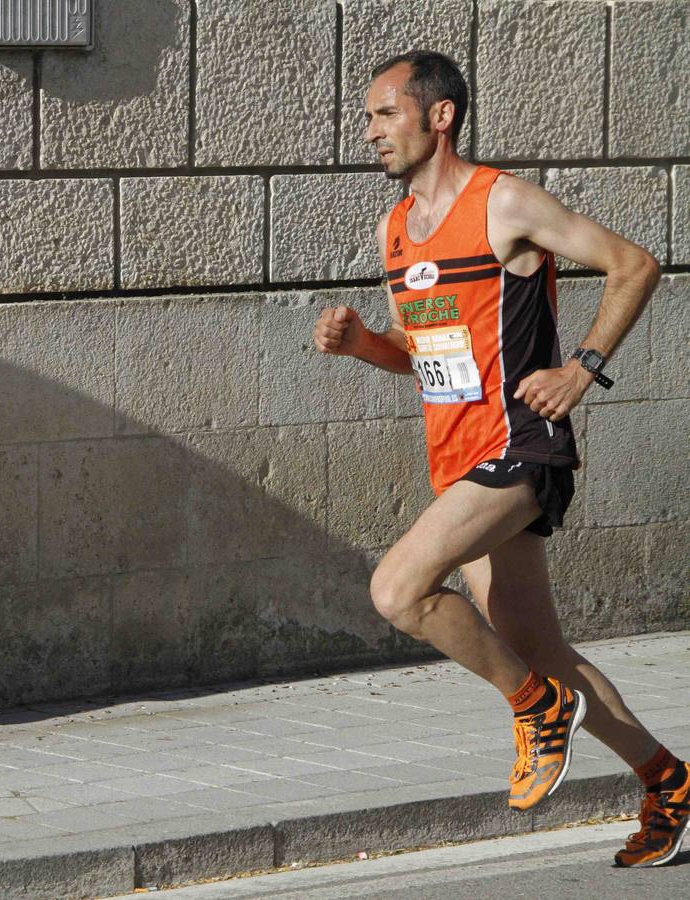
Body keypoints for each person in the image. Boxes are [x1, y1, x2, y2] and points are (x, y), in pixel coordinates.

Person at [313, 50, 686, 868]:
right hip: (457, 462)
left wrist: (580, 368)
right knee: (542, 648)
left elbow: (635, 265)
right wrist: (363, 346)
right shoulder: (395, 228)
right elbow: (423, 350)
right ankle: (666, 779)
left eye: (385, 114)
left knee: (398, 588)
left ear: (439, 116)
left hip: (521, 448)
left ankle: (534, 709)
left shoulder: (503, 201)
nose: (370, 131)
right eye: (369, 118)